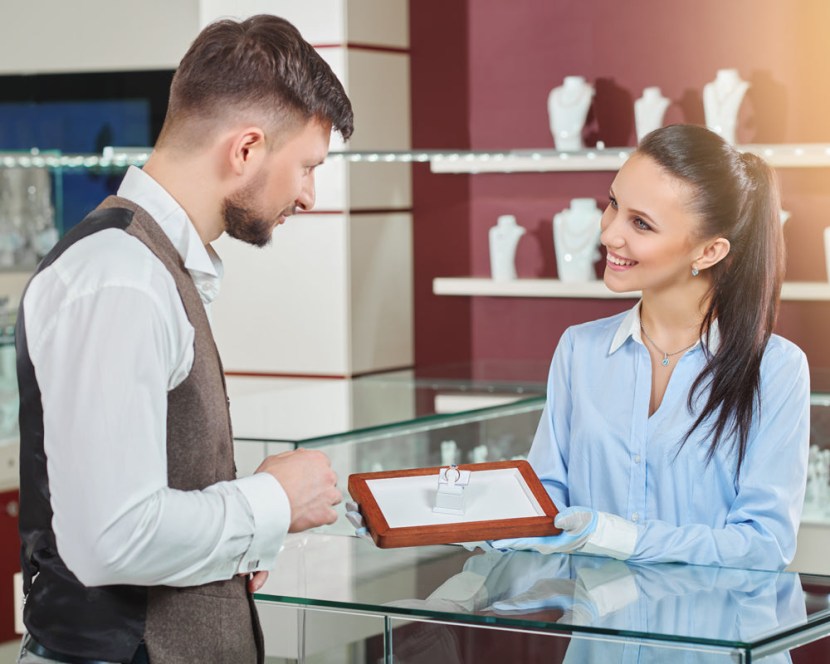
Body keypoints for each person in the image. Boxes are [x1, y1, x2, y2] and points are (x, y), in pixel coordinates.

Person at [16, 14, 353, 664]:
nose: (308, 195)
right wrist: (274, 499)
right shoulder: (123, 281)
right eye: (307, 166)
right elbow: (113, 537)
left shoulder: (147, 266)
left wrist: (238, 540)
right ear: (246, 149)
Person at [492, 124, 810, 571]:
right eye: (614, 204)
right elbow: (544, 504)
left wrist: (619, 537)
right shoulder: (578, 351)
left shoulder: (775, 369)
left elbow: (763, 545)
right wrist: (430, 516)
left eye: (640, 223)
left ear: (709, 251)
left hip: (717, 636)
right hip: (602, 637)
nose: (609, 235)